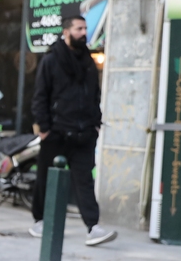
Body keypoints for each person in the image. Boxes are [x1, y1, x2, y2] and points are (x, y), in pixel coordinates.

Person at [29, 15, 117, 247]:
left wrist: (95, 123)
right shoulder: (51, 60)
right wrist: (45, 129)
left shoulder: (88, 60)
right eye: (79, 29)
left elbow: (95, 94)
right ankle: (39, 220)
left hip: (83, 133)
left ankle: (93, 227)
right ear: (66, 32)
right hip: (56, 132)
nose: (84, 32)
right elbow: (40, 96)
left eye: (85, 28)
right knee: (45, 178)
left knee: (84, 181)